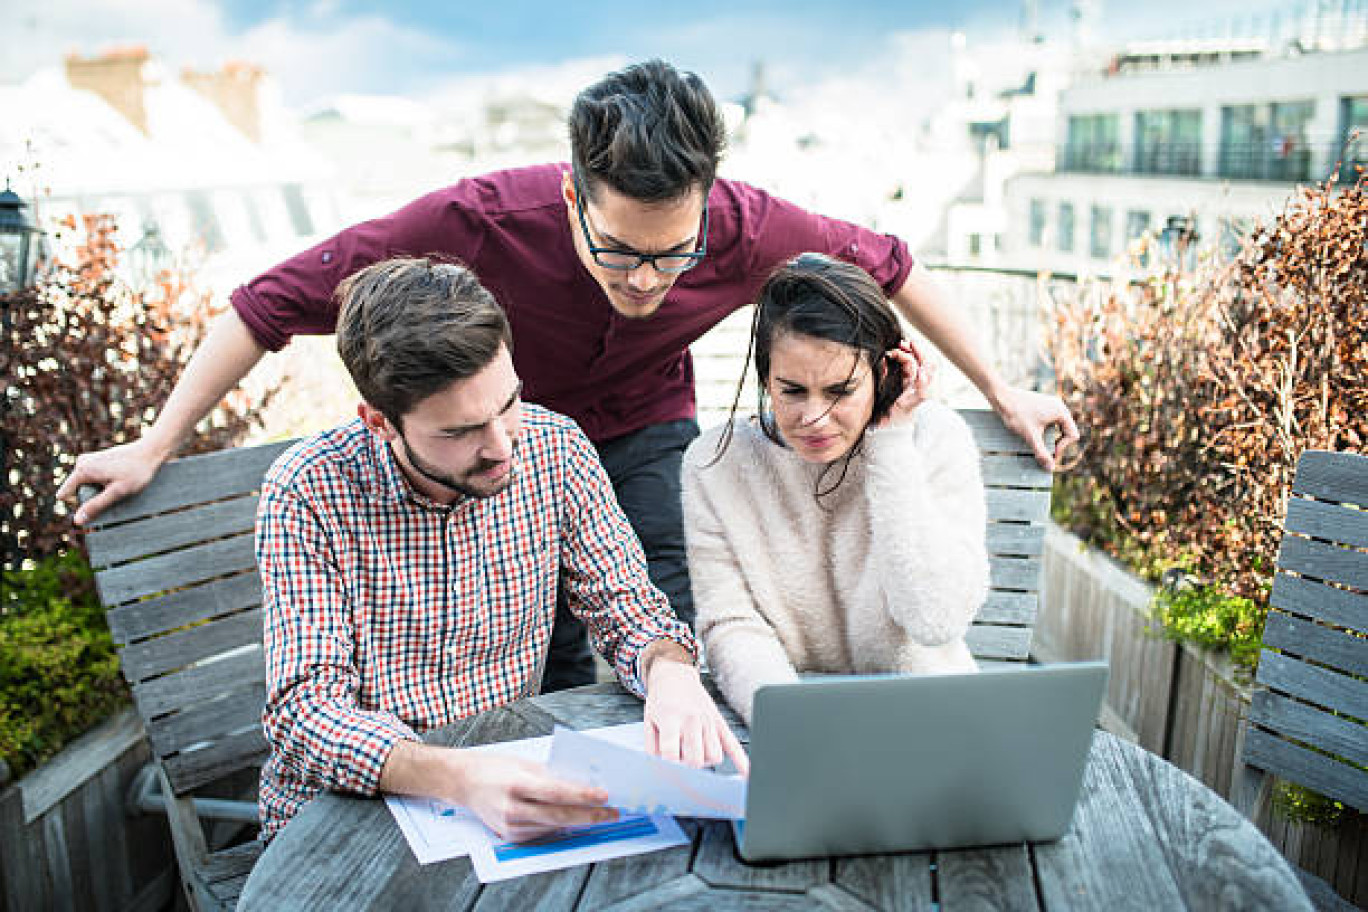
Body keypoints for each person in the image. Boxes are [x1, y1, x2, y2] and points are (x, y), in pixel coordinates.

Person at [57, 59, 1076, 692]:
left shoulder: (751, 225)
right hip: (506, 439)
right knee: (534, 640)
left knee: (673, 616)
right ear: (571, 193)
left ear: (708, 202)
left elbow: (893, 266)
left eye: (672, 253)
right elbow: (267, 304)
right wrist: (158, 440)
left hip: (642, 425)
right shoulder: (472, 221)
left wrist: (1003, 392)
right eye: (619, 250)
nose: (647, 281)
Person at [256, 256, 745, 843]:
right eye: (459, 432)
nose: (501, 446)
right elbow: (305, 712)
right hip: (347, 816)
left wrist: (668, 671)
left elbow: (629, 608)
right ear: (379, 422)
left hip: (508, 794)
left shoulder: (555, 447)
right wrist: (458, 778)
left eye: (507, 404)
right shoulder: (308, 491)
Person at [682, 254, 989, 724]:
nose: (814, 418)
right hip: (786, 722)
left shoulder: (935, 440)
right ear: (766, 378)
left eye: (840, 391)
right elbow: (731, 625)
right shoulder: (714, 465)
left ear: (885, 373)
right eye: (792, 391)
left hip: (934, 721)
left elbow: (934, 619)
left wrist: (891, 445)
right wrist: (791, 722)